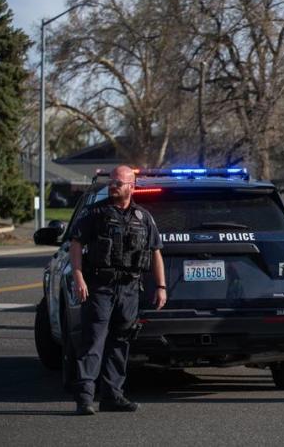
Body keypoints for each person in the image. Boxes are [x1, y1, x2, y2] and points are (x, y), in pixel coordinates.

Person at [68, 165, 166, 416]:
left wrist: (161, 286)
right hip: (100, 286)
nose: (113, 186)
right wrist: (78, 276)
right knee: (93, 341)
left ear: (131, 187)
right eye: (111, 182)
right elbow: (76, 243)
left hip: (130, 289)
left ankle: (113, 396)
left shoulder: (143, 217)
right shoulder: (95, 213)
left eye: (119, 183)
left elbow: (155, 252)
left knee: (120, 342)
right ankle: (85, 398)